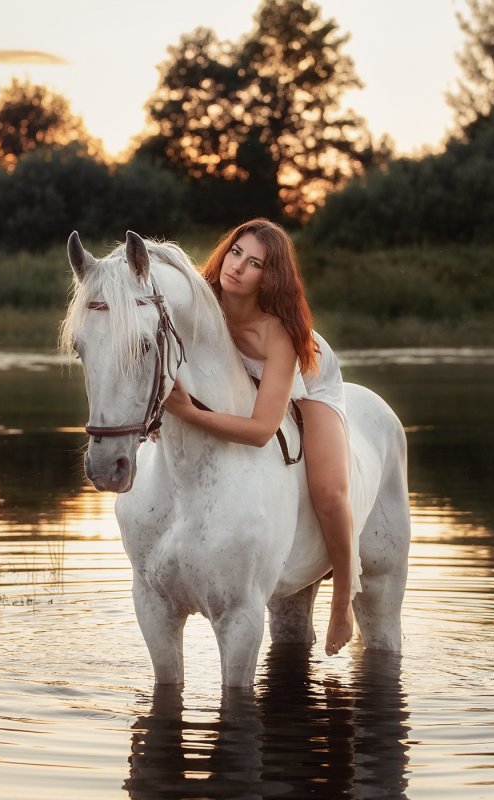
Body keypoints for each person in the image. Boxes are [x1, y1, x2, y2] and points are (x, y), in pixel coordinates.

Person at [162, 218, 360, 656]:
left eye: (254, 263)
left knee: (328, 490)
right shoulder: (202, 299)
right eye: (236, 252)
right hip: (242, 379)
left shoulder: (280, 334)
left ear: (267, 277)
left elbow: (260, 431)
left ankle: (343, 598)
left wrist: (189, 412)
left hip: (312, 378)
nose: (237, 267)